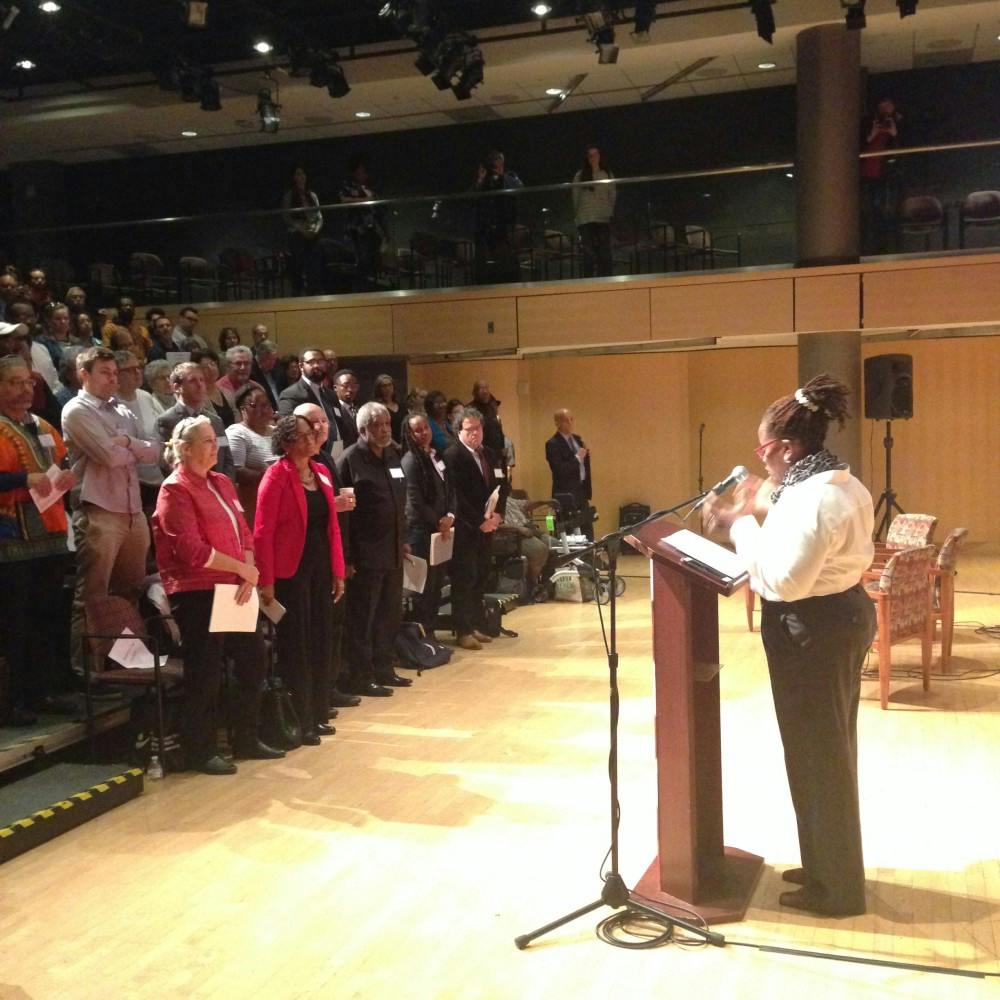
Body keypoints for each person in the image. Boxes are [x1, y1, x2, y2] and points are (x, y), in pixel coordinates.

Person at [704, 374, 876, 918]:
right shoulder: (837, 482)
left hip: (813, 628)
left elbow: (783, 582)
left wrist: (738, 527)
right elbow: (788, 517)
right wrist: (757, 502)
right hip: (838, 618)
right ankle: (828, 865)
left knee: (818, 757)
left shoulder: (814, 499)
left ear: (785, 446)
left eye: (763, 450)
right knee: (825, 752)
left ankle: (838, 891)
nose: (763, 460)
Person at [153, 416, 281, 773]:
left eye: (215, 440)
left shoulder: (222, 482)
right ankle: (201, 749)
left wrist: (249, 571)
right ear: (184, 448)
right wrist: (242, 569)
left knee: (253, 659)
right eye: (207, 441)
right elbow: (192, 551)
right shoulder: (174, 489)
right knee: (205, 671)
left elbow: (244, 532)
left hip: (235, 588)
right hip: (197, 592)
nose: (215, 447)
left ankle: (247, 737)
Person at [61, 346, 160, 673]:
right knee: (93, 594)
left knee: (128, 594)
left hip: (132, 509)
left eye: (115, 373)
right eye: (105, 373)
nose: (113, 379)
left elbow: (155, 451)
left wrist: (128, 444)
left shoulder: (123, 410)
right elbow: (108, 457)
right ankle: (87, 671)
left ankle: (124, 665)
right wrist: (132, 448)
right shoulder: (77, 410)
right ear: (83, 374)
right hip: (99, 509)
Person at [255, 414, 347, 744]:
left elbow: (332, 528)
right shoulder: (276, 475)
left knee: (321, 642)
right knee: (298, 647)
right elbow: (262, 533)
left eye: (313, 432)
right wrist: (266, 581)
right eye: (304, 434)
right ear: (286, 442)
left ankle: (319, 714)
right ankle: (301, 719)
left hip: (320, 568)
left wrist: (338, 570)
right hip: (289, 573)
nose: (312, 438)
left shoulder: (321, 472)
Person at [0, 355, 76, 725]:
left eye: (28, 382)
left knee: (46, 617)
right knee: (15, 622)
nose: (24, 388)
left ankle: (41, 691)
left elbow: (60, 464)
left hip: (51, 532)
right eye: (15, 382)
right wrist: (20, 481)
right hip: (12, 539)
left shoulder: (43, 424)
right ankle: (11, 701)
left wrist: (65, 477)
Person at [336, 401, 411, 695]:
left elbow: (397, 502)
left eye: (387, 424)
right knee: (362, 619)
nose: (383, 430)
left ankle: (384, 668)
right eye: (377, 425)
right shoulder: (350, 461)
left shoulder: (393, 455)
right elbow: (344, 517)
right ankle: (360, 675)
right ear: (363, 429)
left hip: (392, 551)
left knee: (389, 615)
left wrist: (402, 539)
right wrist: (348, 557)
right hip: (365, 555)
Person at [294, 401, 360, 710]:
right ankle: (316, 696)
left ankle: (329, 688)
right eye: (312, 423)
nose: (320, 426)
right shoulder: (293, 467)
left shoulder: (324, 462)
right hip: (304, 560)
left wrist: (343, 558)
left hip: (331, 554)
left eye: (323, 420)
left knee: (335, 626)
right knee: (316, 631)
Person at [444, 406, 502, 650]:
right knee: (464, 578)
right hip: (467, 528)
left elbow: (501, 484)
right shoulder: (452, 455)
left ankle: (476, 624)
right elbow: (457, 496)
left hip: (488, 525)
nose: (475, 434)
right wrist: (480, 521)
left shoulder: (489, 454)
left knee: (480, 576)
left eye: (478, 429)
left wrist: (498, 514)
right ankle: (463, 629)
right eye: (469, 430)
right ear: (459, 431)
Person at [401, 412, 454, 637]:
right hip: (421, 531)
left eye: (426, 428)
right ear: (410, 435)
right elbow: (415, 500)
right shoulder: (410, 461)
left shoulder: (436, 456)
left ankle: (431, 632)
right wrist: (438, 521)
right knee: (421, 588)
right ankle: (421, 636)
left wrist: (450, 515)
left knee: (436, 584)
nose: (424, 433)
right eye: (418, 430)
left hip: (441, 529)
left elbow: (450, 489)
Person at [156, 362, 234, 480]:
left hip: (218, 488)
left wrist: (225, 485)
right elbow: (167, 463)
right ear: (177, 387)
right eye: (192, 381)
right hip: (188, 490)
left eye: (202, 380)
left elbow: (227, 458)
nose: (199, 385)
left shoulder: (215, 421)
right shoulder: (167, 421)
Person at [113, 350, 164, 513]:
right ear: (116, 374)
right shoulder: (110, 403)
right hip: (132, 482)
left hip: (158, 475)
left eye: (139, 367)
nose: (137, 372)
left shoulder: (145, 396)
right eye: (130, 370)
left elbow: (162, 429)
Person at [277, 348, 344, 456]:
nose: (317, 365)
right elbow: (287, 430)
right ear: (301, 366)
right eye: (311, 362)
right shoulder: (291, 394)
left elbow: (340, 425)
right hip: (311, 455)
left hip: (338, 452)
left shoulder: (331, 395)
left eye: (320, 361)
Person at [226, 384, 276, 526]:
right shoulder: (237, 433)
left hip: (278, 500)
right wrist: (267, 476)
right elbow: (236, 471)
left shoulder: (276, 431)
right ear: (243, 409)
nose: (264, 410)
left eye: (266, 405)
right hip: (252, 504)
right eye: (256, 405)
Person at [473, 150, 523, 284]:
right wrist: (480, 179)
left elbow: (519, 190)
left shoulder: (510, 176)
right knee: (485, 255)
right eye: (494, 162)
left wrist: (502, 176)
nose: (497, 165)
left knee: (504, 255)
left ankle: (508, 280)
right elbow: (474, 199)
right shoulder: (485, 181)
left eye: (499, 161)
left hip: (505, 225)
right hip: (486, 227)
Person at [861, 97, 903, 255]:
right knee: (871, 209)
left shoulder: (899, 122)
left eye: (888, 106)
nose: (885, 110)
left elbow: (903, 144)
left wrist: (894, 131)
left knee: (887, 209)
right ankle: (871, 246)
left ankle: (888, 247)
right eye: (882, 107)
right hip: (869, 171)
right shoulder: (869, 122)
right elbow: (862, 142)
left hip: (888, 172)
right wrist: (873, 133)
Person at [545, 408, 594, 540]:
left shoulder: (578, 439)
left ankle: (589, 558)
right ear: (557, 423)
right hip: (565, 494)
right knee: (570, 532)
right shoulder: (552, 444)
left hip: (581, 491)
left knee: (587, 530)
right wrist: (577, 458)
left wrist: (586, 455)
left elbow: (584, 464)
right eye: (566, 420)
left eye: (571, 419)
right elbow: (559, 470)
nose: (570, 422)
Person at [340, 157, 386, 290]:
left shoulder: (369, 188)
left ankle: (371, 285)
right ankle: (359, 288)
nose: (364, 175)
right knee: (362, 259)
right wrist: (364, 200)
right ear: (354, 173)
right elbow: (343, 200)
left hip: (371, 229)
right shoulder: (348, 186)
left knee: (372, 258)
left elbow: (378, 207)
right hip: (356, 228)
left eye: (365, 172)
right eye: (360, 172)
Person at [573, 145, 616, 278]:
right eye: (591, 155)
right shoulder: (580, 175)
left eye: (596, 154)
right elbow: (575, 196)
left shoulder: (607, 173)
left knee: (604, 252)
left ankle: (606, 280)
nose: (594, 158)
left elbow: (612, 194)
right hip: (586, 218)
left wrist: (609, 211)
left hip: (602, 217)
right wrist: (578, 215)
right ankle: (589, 281)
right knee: (588, 253)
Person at [283, 166, 325, 296]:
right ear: (293, 177)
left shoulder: (312, 195)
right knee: (298, 262)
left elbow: (319, 215)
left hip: (312, 233)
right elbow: (287, 217)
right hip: (298, 233)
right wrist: (301, 229)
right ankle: (298, 291)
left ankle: (315, 291)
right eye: (298, 174)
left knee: (315, 263)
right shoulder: (289, 195)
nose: (301, 177)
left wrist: (315, 229)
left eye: (303, 174)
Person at [190, 347, 236, 428]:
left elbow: (236, 416)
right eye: (205, 367)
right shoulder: (197, 399)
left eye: (213, 364)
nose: (211, 369)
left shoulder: (225, 391)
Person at [372, 373, 403, 444]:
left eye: (389, 385)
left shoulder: (401, 406)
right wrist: (396, 445)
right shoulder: (377, 408)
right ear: (379, 389)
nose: (387, 388)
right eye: (384, 386)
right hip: (387, 444)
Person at [424, 390, 455, 455]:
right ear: (429, 406)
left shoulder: (447, 424)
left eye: (443, 402)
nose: (441, 405)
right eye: (437, 403)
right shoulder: (427, 425)